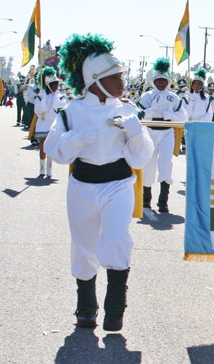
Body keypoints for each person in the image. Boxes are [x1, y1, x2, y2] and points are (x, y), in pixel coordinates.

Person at [44, 33, 154, 331]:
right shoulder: (72, 112)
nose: (122, 81)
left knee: (117, 238)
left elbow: (140, 159)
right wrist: (75, 139)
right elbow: (54, 151)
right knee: (84, 246)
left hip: (118, 183)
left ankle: (116, 308)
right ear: (95, 80)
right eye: (115, 76)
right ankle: (85, 307)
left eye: (121, 75)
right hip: (82, 185)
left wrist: (137, 134)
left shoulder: (129, 110)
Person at [138, 58, 188, 213]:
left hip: (167, 132)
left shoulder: (174, 97)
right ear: (154, 81)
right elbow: (142, 117)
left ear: (168, 81)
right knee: (149, 165)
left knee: (166, 163)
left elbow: (183, 117)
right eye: (158, 80)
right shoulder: (146, 96)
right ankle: (146, 198)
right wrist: (152, 109)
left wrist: (169, 114)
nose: (161, 83)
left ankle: (163, 200)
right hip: (150, 132)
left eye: (164, 80)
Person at [33, 67, 68, 178]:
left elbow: (59, 108)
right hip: (43, 123)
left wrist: (55, 99)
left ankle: (49, 169)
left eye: (57, 84)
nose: (56, 86)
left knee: (51, 148)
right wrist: (43, 100)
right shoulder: (40, 96)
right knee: (42, 147)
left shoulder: (60, 96)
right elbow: (38, 111)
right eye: (53, 84)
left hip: (54, 124)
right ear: (48, 84)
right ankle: (42, 169)